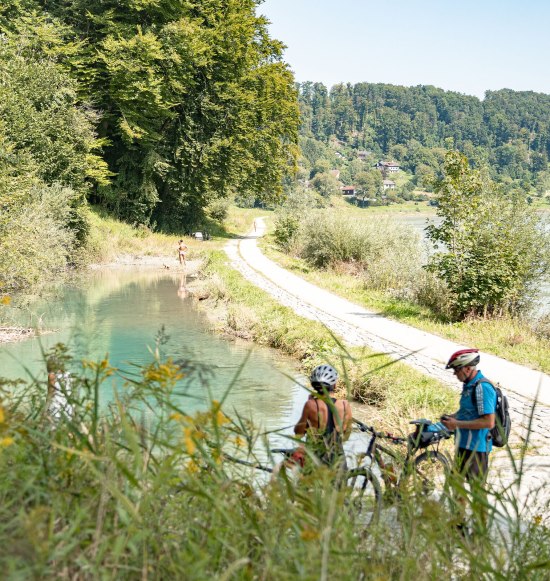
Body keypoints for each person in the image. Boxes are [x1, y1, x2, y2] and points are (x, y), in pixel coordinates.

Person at [440, 348, 496, 530]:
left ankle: (481, 533)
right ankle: (459, 523)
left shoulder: (483, 388)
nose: (455, 374)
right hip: (463, 445)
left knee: (477, 491)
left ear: (467, 368)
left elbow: (488, 422)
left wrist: (457, 424)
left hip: (477, 449)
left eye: (456, 370)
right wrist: (452, 418)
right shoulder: (468, 386)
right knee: (457, 486)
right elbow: (466, 413)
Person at [291, 364, 352, 473]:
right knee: (339, 488)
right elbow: (346, 434)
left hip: (315, 458)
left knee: (307, 488)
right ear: (334, 385)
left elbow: (298, 432)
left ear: (314, 386)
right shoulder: (344, 405)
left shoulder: (310, 405)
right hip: (337, 460)